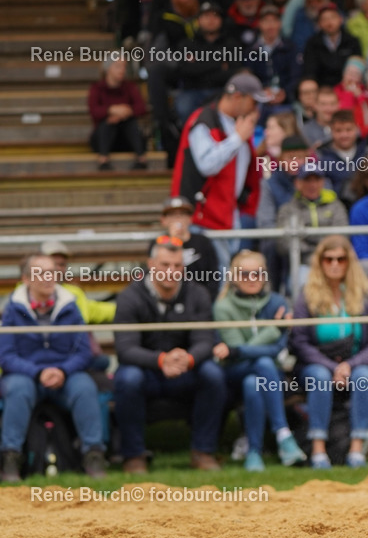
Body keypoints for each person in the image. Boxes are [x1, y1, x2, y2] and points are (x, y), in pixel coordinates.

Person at [113, 238, 227, 473]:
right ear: (151, 264)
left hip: (185, 369)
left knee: (213, 374)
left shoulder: (198, 293)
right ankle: (133, 456)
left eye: (177, 266)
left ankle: (203, 452)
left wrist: (189, 359)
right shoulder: (129, 297)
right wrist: (161, 360)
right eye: (165, 265)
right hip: (148, 371)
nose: (171, 271)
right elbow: (125, 349)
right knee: (127, 378)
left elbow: (205, 341)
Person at [0, 255, 107, 482]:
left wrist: (62, 371)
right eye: (41, 273)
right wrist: (38, 373)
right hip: (26, 376)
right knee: (17, 389)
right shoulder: (11, 309)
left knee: (84, 387)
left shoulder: (70, 305)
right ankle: (11, 458)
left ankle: (94, 455)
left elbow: (84, 352)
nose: (49, 278)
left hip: (65, 375)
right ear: (26, 279)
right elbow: (6, 356)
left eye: (52, 272)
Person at [289, 236, 368, 468]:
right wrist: (334, 368)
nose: (334, 264)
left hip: (356, 362)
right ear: (320, 262)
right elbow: (299, 342)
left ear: (348, 262)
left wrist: (349, 366)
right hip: (317, 364)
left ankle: (356, 449)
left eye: (341, 259)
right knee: (320, 378)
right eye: (328, 259)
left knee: (364, 376)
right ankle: (318, 450)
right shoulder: (307, 296)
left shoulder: (364, 295)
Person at [211, 250, 307, 470]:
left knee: (254, 382)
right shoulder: (223, 306)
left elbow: (277, 348)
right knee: (262, 363)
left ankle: (254, 452)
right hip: (233, 371)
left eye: (257, 273)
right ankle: (283, 435)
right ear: (233, 277)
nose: (252, 279)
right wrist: (274, 328)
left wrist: (238, 349)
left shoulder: (277, 301)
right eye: (245, 274)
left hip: (267, 374)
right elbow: (237, 353)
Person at [170, 71, 269, 271]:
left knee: (227, 278)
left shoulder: (237, 124)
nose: (256, 109)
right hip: (202, 217)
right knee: (211, 279)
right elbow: (207, 165)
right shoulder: (202, 121)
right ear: (237, 97)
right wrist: (237, 139)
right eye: (253, 102)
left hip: (229, 216)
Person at [275, 164, 349, 285]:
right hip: (304, 263)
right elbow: (284, 244)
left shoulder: (336, 206)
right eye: (307, 180)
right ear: (297, 183)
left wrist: (324, 254)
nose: (312, 185)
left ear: (323, 182)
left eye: (316, 180)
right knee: (302, 280)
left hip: (334, 259)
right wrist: (313, 254)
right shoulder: (288, 209)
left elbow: (341, 237)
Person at [87, 57, 148, 171]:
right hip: (104, 138)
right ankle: (103, 159)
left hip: (127, 138)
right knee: (107, 123)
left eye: (124, 67)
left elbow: (142, 108)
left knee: (130, 122)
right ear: (108, 68)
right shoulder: (97, 88)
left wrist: (125, 112)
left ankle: (141, 158)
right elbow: (94, 111)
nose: (122, 70)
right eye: (118, 66)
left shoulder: (130, 87)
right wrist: (111, 110)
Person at [157, 196, 221, 301]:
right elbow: (156, 276)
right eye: (172, 215)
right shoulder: (158, 243)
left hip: (199, 300)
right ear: (163, 220)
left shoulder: (203, 242)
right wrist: (174, 240)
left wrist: (207, 300)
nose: (178, 219)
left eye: (182, 214)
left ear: (190, 219)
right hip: (167, 300)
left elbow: (213, 276)